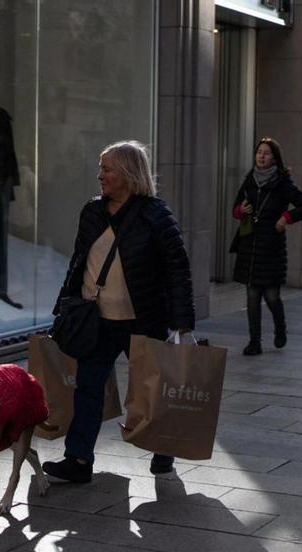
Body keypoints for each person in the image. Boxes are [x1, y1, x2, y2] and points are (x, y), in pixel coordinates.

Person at [42, 140, 194, 483]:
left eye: (107, 169)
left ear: (128, 173)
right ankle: (78, 461)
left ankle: (163, 449)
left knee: (151, 390)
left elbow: (178, 270)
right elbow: (79, 263)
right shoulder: (91, 212)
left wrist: (182, 321)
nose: (101, 175)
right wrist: (64, 306)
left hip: (143, 320)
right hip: (97, 321)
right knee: (88, 388)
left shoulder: (156, 216)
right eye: (101, 168)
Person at [229, 137, 302, 356]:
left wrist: (286, 218)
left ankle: (280, 329)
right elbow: (235, 209)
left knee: (272, 296)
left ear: (275, 158)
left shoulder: (283, 184)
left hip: (272, 247)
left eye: (266, 153)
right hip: (250, 245)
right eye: (259, 152)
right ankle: (254, 341)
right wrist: (242, 210)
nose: (261, 156)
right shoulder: (250, 181)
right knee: (252, 296)